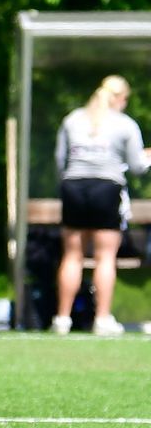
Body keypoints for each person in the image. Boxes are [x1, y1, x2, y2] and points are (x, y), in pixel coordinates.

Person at [52, 76, 147, 336]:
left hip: (73, 187)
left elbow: (60, 160)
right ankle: (102, 318)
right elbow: (137, 166)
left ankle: (62, 319)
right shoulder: (125, 124)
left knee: (72, 255)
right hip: (106, 188)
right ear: (120, 98)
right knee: (105, 256)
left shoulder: (73, 119)